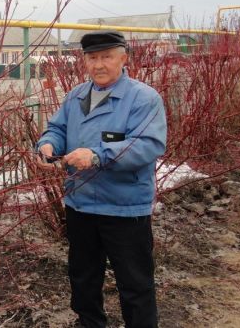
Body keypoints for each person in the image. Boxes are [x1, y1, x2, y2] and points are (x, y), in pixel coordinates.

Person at [36, 30, 167, 328]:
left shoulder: (142, 98)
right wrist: (47, 145)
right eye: (92, 58)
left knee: (135, 282)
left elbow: (147, 144)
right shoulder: (76, 95)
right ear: (83, 61)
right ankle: (89, 322)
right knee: (83, 277)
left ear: (123, 57)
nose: (99, 65)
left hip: (123, 207)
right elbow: (57, 129)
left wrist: (97, 155)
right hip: (80, 203)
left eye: (106, 57)